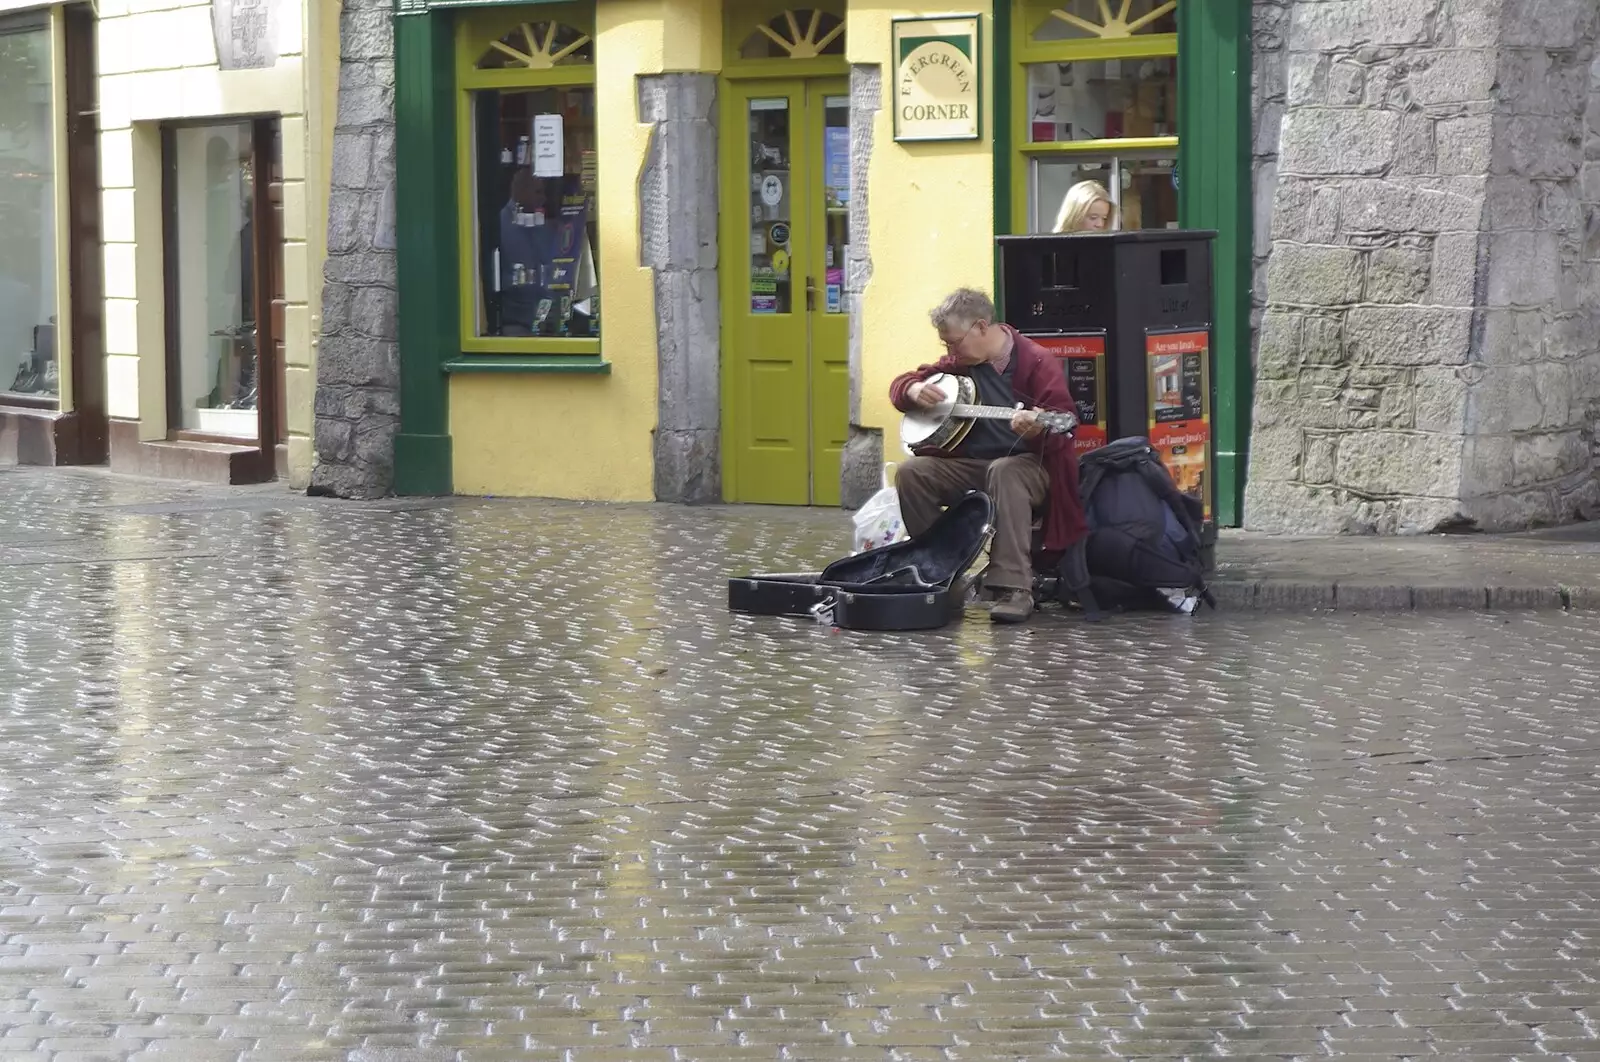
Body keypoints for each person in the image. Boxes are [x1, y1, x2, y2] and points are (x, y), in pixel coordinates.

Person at [889, 288, 1088, 624]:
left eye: (954, 342)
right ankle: (941, 576)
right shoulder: (961, 365)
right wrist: (912, 390)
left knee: (1005, 471)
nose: (950, 351)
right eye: (946, 345)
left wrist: (1037, 428)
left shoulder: (1036, 361)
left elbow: (1064, 427)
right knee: (912, 473)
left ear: (981, 327)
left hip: (1031, 468)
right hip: (972, 466)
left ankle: (1014, 588)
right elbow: (901, 386)